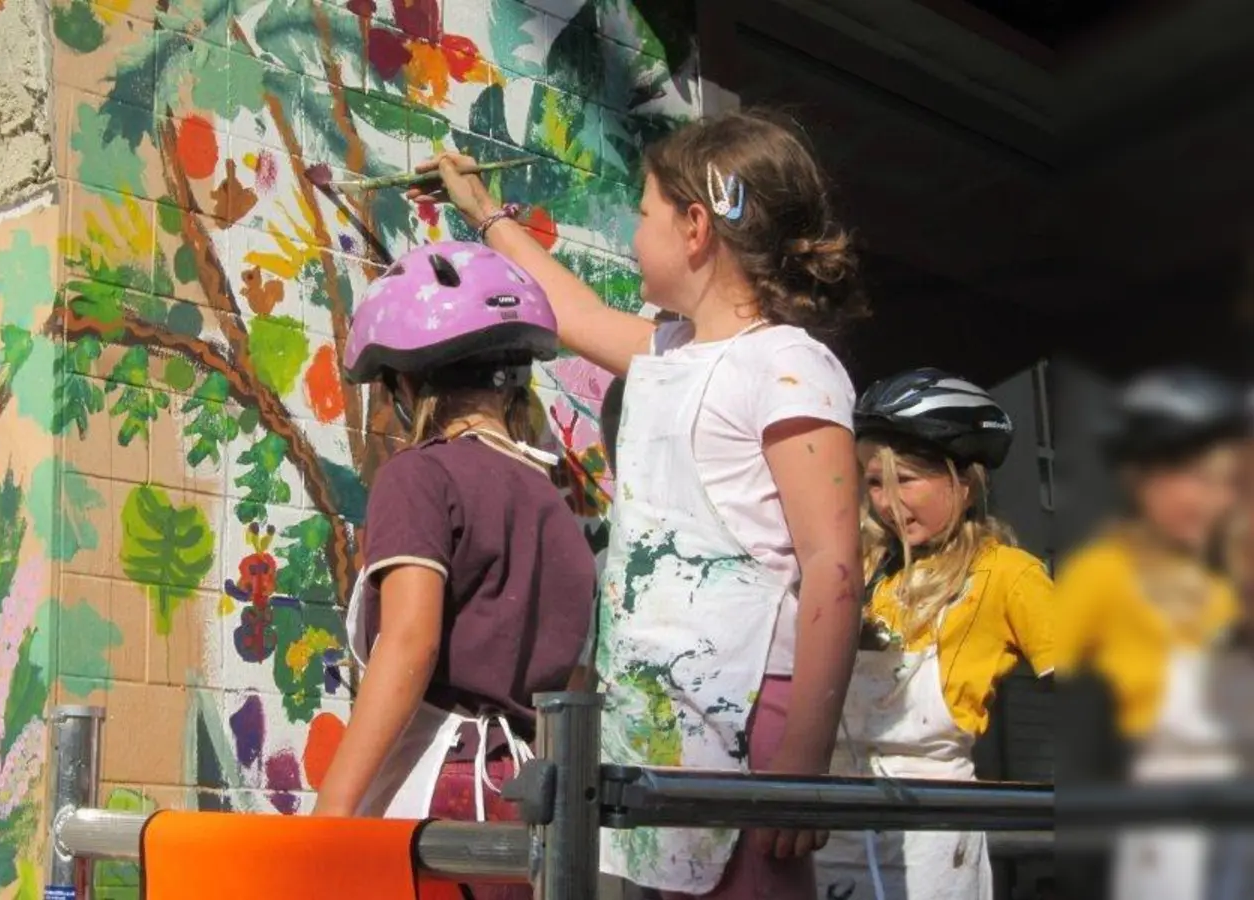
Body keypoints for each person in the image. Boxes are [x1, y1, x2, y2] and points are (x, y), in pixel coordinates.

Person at [414, 109, 866, 899]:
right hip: (657, 720)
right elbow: (576, 313)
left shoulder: (788, 365)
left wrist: (804, 759)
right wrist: (483, 211)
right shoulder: (669, 356)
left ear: (696, 227)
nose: (632, 235)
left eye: (645, 213)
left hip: (750, 719)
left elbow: (833, 564)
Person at [313, 241, 598, 899]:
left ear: (406, 383)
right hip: (524, 794)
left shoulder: (421, 476)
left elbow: (409, 642)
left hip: (439, 791)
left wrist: (331, 815)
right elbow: (575, 677)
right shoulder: (557, 506)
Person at [815, 368, 1056, 900]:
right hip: (835, 820)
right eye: (874, 482)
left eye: (905, 480)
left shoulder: (1006, 573)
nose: (886, 502)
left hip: (933, 827)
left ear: (964, 483)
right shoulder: (860, 569)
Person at [1056, 367, 1249, 900]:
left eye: (1223, 482)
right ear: (1139, 480)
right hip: (1165, 819)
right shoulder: (1104, 570)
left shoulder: (1234, 576)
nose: (1210, 498)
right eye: (1191, 477)